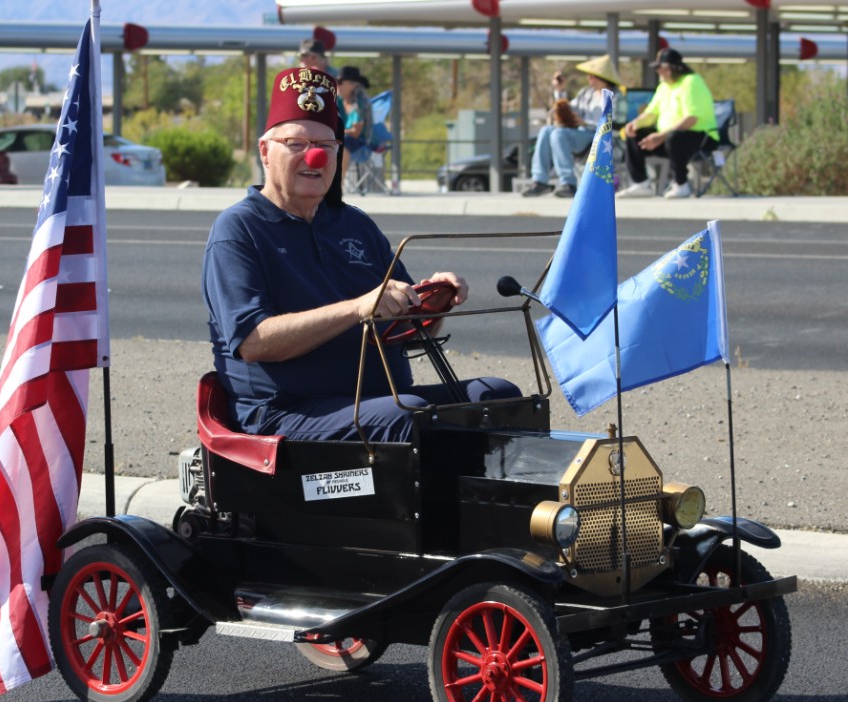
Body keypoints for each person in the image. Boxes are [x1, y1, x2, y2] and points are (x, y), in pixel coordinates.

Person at [202, 67, 519, 443]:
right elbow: (253, 341)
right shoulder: (238, 229)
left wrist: (432, 301)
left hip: (375, 401)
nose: (315, 156)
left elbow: (403, 329)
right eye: (297, 144)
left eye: (327, 145)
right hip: (285, 411)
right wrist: (357, 308)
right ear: (265, 152)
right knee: (406, 414)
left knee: (499, 397)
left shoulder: (353, 224)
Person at [617, 48, 719, 199]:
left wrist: (661, 136)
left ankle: (681, 185)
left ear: (671, 68)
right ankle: (641, 184)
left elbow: (691, 119)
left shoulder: (692, 82)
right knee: (634, 134)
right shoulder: (664, 86)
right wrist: (634, 124)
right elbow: (651, 113)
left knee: (674, 137)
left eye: (659, 67)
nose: (657, 71)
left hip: (701, 138)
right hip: (668, 140)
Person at [521, 55, 625, 199]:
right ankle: (540, 180)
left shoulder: (615, 96)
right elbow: (568, 109)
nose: (590, 80)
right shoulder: (585, 93)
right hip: (579, 133)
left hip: (598, 136)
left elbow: (614, 122)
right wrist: (560, 90)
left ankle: (568, 183)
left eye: (593, 77)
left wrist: (585, 123)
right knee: (546, 130)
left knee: (558, 134)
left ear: (603, 78)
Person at [336, 65, 373, 181]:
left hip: (361, 143)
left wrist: (337, 131)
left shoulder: (360, 103)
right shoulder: (338, 100)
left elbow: (356, 133)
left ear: (353, 85)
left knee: (343, 143)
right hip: (341, 138)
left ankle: (338, 186)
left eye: (341, 82)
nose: (338, 85)